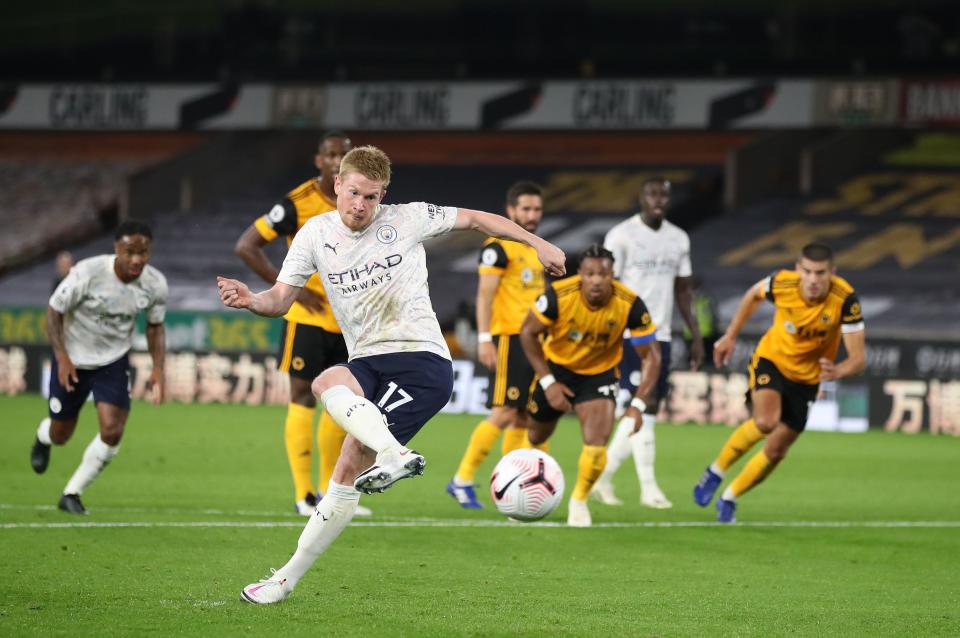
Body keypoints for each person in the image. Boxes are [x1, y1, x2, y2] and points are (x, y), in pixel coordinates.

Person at [216, 145, 565, 604]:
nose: (361, 205)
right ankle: (290, 574)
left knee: (345, 445)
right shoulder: (314, 234)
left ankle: (384, 461)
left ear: (384, 195)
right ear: (338, 185)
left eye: (372, 197)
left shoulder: (408, 218)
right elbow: (280, 300)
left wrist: (537, 242)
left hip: (422, 363)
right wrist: (251, 299)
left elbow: (480, 219)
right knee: (327, 394)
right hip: (367, 360)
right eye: (354, 193)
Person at [234, 131, 369, 516]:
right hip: (306, 319)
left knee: (342, 403)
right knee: (302, 397)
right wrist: (288, 287)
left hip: (349, 320)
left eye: (346, 154)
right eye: (332, 154)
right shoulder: (298, 203)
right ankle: (302, 494)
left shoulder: (364, 203)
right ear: (319, 161)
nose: (339, 159)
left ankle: (332, 492)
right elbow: (246, 245)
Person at [692, 243, 865, 523]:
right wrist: (730, 336)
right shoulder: (781, 283)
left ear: (832, 273)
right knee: (765, 422)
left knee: (776, 450)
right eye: (807, 271)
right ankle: (715, 471)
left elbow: (858, 359)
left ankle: (729, 497)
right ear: (798, 269)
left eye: (820, 273)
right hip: (772, 361)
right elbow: (752, 295)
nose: (813, 279)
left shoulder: (845, 299)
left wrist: (838, 370)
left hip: (807, 380)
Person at [29, 221, 167, 515]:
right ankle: (44, 437)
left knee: (113, 429)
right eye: (130, 251)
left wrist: (158, 369)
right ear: (116, 249)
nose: (136, 259)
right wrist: (63, 357)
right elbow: (54, 311)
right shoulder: (88, 273)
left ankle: (72, 493)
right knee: (61, 434)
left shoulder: (155, 284)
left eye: (143, 252)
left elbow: (155, 326)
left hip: (113, 361)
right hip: (73, 358)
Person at [521, 244, 660, 527]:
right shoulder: (558, 295)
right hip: (557, 369)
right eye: (590, 274)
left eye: (603, 274)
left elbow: (652, 358)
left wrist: (637, 405)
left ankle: (579, 500)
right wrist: (548, 383)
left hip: (600, 375)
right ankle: (527, 494)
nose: (597, 280)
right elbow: (527, 332)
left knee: (597, 443)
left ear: (613, 276)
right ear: (580, 275)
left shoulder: (630, 304)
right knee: (535, 437)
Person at [591, 176, 703, 510]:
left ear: (669, 199)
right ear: (641, 198)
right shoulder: (622, 236)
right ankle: (648, 488)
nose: (658, 199)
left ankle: (601, 478)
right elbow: (607, 286)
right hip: (630, 335)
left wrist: (696, 334)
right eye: (652, 194)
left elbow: (683, 290)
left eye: (664, 195)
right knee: (643, 405)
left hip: (663, 335)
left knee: (644, 408)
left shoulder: (678, 239)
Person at [447, 180, 547, 509]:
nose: (532, 215)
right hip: (508, 338)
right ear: (511, 211)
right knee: (503, 412)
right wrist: (485, 338)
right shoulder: (498, 247)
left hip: (535, 342)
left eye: (536, 209)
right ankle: (461, 479)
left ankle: (513, 481)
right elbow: (485, 295)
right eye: (526, 209)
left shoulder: (535, 247)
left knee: (523, 417)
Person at [682, 276, 720, 368]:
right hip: (698, 335)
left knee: (700, 361)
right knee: (699, 361)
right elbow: (714, 316)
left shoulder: (687, 299)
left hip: (702, 335)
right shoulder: (704, 299)